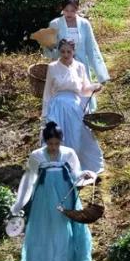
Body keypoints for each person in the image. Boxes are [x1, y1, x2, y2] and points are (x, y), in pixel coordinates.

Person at [12, 121, 95, 261]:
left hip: (64, 201)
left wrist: (85, 175)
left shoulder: (68, 154)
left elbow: (75, 175)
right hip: (43, 203)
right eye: (50, 144)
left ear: (61, 141)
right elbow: (29, 180)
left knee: (63, 239)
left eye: (56, 143)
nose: (53, 147)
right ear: (45, 142)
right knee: (44, 239)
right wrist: (19, 204)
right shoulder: (37, 157)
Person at [40, 37, 104, 176]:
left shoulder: (80, 66)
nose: (66, 55)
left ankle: (77, 169)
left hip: (75, 106)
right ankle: (57, 170)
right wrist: (45, 114)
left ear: (74, 51)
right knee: (57, 136)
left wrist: (95, 87)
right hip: (57, 105)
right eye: (62, 51)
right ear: (59, 52)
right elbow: (47, 91)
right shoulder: (52, 67)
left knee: (77, 137)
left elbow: (84, 89)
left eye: (69, 51)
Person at [46, 0, 109, 108]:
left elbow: (92, 49)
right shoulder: (55, 24)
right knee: (65, 97)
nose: (69, 13)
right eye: (66, 10)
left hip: (80, 65)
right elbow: (50, 49)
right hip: (63, 65)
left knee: (82, 95)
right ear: (62, 9)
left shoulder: (84, 24)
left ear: (77, 9)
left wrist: (101, 75)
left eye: (73, 10)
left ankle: (83, 120)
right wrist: (52, 48)